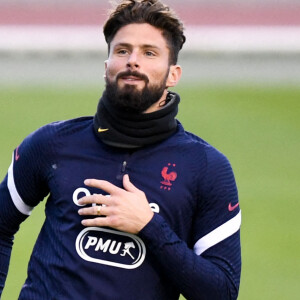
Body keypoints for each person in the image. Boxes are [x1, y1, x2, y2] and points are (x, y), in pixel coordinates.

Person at [0, 0, 241, 299]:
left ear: (173, 74)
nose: (133, 61)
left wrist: (149, 225)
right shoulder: (52, 143)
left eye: (149, 53)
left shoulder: (206, 167)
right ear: (106, 67)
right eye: (122, 50)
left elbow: (223, 292)